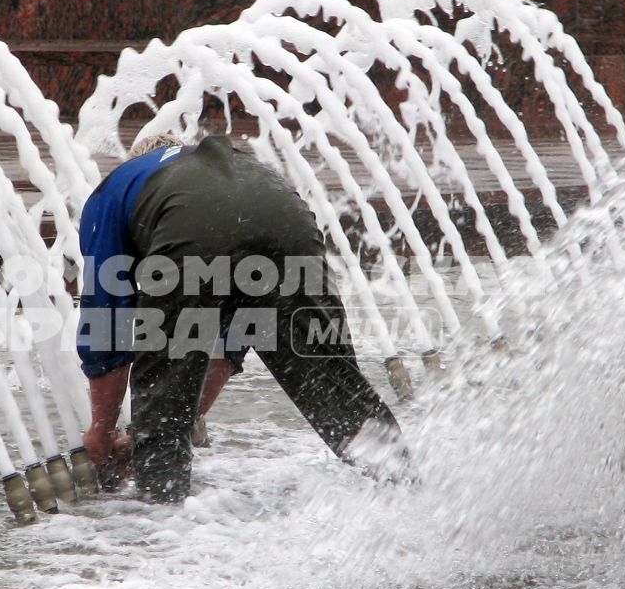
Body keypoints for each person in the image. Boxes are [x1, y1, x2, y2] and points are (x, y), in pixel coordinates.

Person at [76, 133, 403, 502]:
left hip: (193, 234)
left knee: (161, 408)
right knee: (334, 388)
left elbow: (106, 322)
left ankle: (157, 529)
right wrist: (178, 419)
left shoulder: (114, 189)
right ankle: (408, 490)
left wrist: (104, 432)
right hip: (287, 219)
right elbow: (231, 341)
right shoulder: (225, 168)